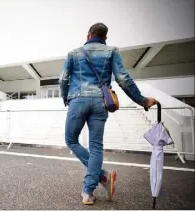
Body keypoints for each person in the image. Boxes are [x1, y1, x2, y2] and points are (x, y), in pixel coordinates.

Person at [59, 22, 158, 205]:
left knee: (71, 140)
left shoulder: (73, 53)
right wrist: (142, 100)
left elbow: (63, 79)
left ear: (88, 35)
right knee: (96, 147)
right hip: (100, 102)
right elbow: (122, 78)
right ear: (105, 38)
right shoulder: (112, 51)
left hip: (78, 101)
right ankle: (88, 193)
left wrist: (66, 98)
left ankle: (100, 176)